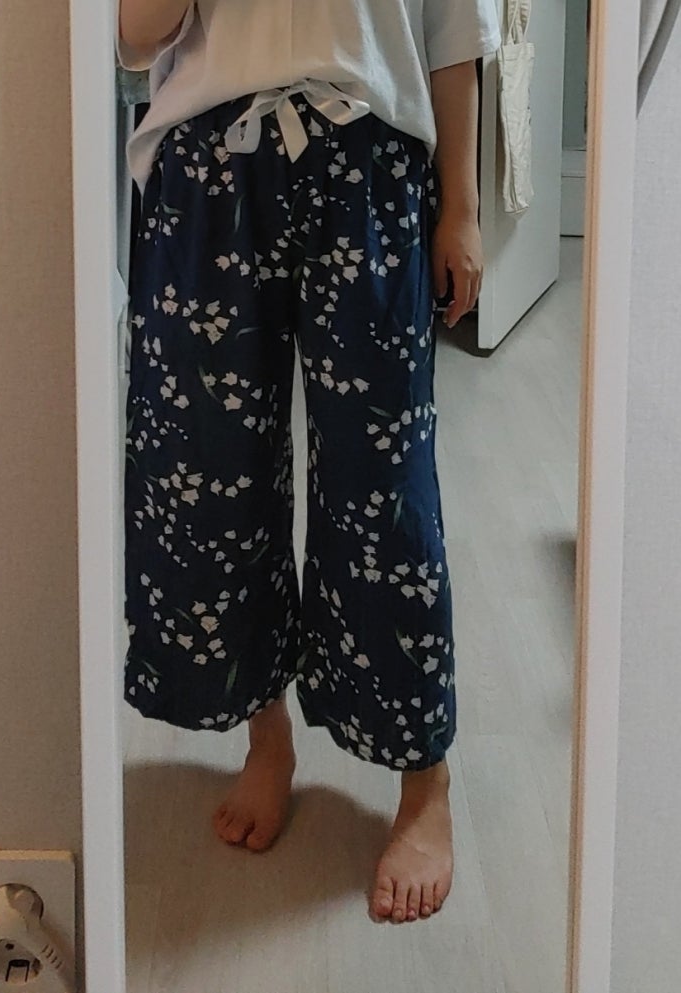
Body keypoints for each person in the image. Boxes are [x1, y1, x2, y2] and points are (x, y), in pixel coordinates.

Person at [117, 0, 501, 925]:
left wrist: (460, 205)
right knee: (211, 481)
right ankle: (266, 737)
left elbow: (454, 28)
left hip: (370, 161)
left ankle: (424, 778)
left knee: (385, 489)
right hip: (209, 167)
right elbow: (132, 36)